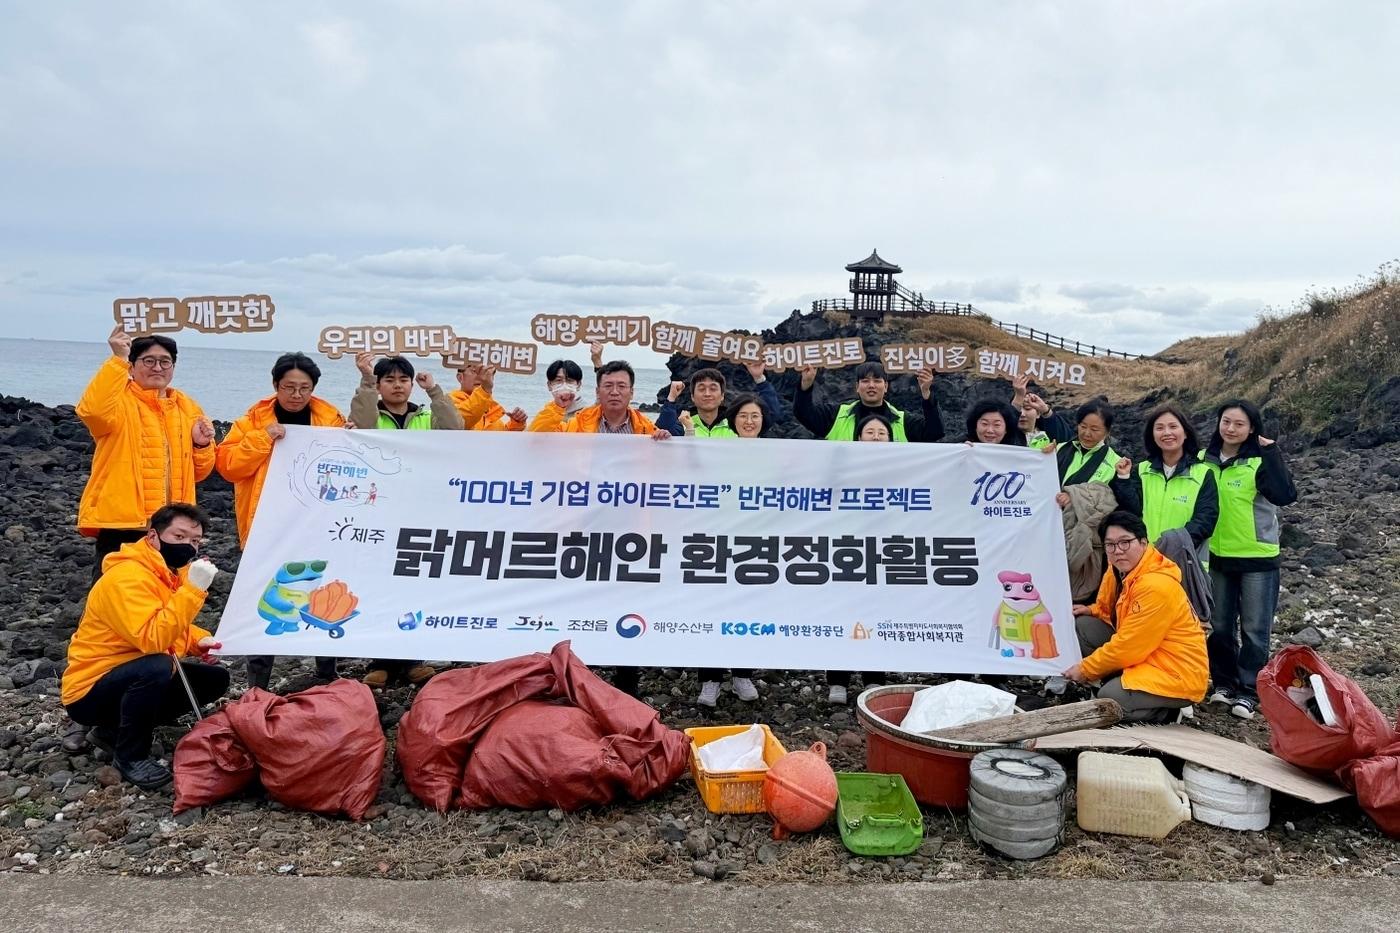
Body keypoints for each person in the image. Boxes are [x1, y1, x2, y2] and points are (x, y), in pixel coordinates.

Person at [61, 503, 229, 789]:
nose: (188, 546)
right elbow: (152, 637)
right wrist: (192, 591)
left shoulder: (165, 572)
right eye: (179, 537)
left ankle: (112, 731)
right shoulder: (127, 577)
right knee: (155, 667)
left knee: (214, 680)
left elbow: (168, 622)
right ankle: (130, 757)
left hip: (125, 675)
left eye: (195, 541)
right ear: (153, 537)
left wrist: (197, 641)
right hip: (88, 691)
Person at [530, 359, 670, 698]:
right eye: (608, 386)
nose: (615, 392)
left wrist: (668, 444)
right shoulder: (579, 423)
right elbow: (536, 440)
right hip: (585, 524)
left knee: (628, 599)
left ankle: (626, 682)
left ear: (633, 392)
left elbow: (667, 473)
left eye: (622, 386)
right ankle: (580, 678)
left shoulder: (646, 430)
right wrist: (555, 407)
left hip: (631, 527)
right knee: (583, 599)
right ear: (597, 391)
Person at [217, 352, 346, 691]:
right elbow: (228, 465)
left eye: (304, 388)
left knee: (321, 597)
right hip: (265, 530)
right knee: (265, 603)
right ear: (275, 386)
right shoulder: (252, 421)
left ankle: (326, 674)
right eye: (289, 387)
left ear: (314, 388)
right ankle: (258, 685)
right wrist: (263, 439)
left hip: (317, 528)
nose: (296, 394)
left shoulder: (331, 420)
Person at [351, 352, 463, 688]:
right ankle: (381, 660)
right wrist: (366, 378)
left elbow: (456, 431)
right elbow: (361, 423)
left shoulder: (425, 417)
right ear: (380, 385)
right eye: (390, 380)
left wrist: (436, 392)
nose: (397, 386)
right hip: (379, 513)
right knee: (380, 587)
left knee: (415, 586)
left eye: (403, 379)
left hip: (419, 512)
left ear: (412, 384)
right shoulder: (374, 414)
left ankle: (413, 659)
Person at [76, 328, 216, 581]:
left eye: (165, 362)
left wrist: (202, 446)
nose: (158, 368)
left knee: (166, 590)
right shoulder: (119, 400)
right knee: (115, 589)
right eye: (148, 361)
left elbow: (199, 473)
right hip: (123, 522)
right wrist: (117, 359)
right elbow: (92, 412)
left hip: (173, 526)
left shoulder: (187, 407)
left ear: (173, 367)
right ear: (131, 367)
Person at [1199, 399, 1298, 721]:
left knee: (1256, 630)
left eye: (1239, 424)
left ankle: (1248, 691)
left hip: (1258, 557)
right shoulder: (1204, 460)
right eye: (1226, 421)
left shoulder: (1259, 460)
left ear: (1252, 428)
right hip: (1217, 558)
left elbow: (1285, 495)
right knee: (1221, 628)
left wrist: (1272, 454)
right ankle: (1223, 685)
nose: (1230, 429)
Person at [1062, 512, 1208, 723]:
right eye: (1110, 545)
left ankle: (1165, 712)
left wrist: (1086, 670)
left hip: (1174, 672)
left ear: (1143, 542)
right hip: (1147, 654)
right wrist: (1092, 610)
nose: (1117, 551)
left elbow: (1130, 646)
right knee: (1083, 626)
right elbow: (1114, 610)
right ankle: (1125, 684)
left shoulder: (1155, 585)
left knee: (1109, 702)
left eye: (1125, 543)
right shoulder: (1120, 570)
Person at [825, 411, 896, 703]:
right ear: (858, 438)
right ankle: (837, 681)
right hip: (845, 550)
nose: (876, 438)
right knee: (840, 612)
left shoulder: (906, 468)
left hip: (884, 553)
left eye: (882, 434)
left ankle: (874, 679)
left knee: (878, 614)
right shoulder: (841, 470)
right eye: (870, 433)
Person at [1109, 403, 1218, 546]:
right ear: (1152, 435)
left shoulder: (1203, 474)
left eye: (1173, 427)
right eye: (1159, 428)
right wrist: (1123, 478)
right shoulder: (1141, 470)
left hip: (1183, 559)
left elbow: (1205, 521)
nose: (1167, 433)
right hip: (1144, 558)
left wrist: (1172, 545)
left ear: (1185, 433)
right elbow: (1132, 511)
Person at [793, 361, 944, 442]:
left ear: (886, 387)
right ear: (857, 387)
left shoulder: (902, 421)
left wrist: (926, 393)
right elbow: (804, 414)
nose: (871, 385)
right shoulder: (836, 416)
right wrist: (805, 386)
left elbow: (935, 432)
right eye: (865, 381)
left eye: (877, 381)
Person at [656, 362, 783, 438]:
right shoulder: (684, 423)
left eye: (713, 388)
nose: (707, 394)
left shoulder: (736, 424)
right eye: (701, 389)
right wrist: (671, 398)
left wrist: (759, 378)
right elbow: (662, 430)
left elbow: (770, 415)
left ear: (722, 396)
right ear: (692, 397)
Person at [1029, 397, 1120, 486]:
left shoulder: (1117, 464)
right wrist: (1044, 457)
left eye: (1094, 429)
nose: (1087, 433)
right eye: (1083, 426)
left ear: (1107, 431)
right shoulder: (1059, 449)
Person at [450, 363, 528, 431]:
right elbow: (459, 421)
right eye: (475, 370)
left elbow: (499, 440)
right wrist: (484, 390)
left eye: (488, 372)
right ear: (460, 377)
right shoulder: (449, 403)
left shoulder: (491, 409)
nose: (483, 377)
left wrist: (516, 423)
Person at [527, 359, 588, 429]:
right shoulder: (547, 411)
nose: (564, 385)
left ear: (578, 385)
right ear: (549, 385)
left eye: (569, 381)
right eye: (558, 380)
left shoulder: (586, 414)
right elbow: (533, 434)